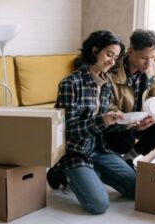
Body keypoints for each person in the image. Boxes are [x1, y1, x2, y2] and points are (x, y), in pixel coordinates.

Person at [47, 30, 137, 214]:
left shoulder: (106, 83)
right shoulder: (70, 83)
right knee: (98, 205)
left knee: (137, 188)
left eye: (116, 57)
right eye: (109, 54)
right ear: (95, 50)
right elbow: (68, 129)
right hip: (75, 152)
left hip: (99, 149)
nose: (112, 61)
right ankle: (62, 172)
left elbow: (104, 126)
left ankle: (92, 172)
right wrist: (102, 120)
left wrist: (124, 124)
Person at [106, 29, 155, 162]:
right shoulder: (111, 70)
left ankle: (130, 157)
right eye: (144, 58)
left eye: (153, 57)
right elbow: (107, 107)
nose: (149, 63)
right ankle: (120, 156)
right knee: (125, 142)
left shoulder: (152, 68)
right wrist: (130, 122)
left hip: (145, 122)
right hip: (120, 123)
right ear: (130, 51)